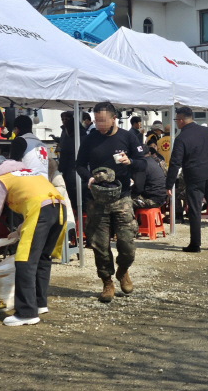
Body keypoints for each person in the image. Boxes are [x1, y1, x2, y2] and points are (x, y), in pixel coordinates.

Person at [0, 156, 67, 326]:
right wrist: (17, 232)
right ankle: (39, 304)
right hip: (59, 208)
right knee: (42, 258)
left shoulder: (2, 179)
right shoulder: (30, 173)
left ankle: (26, 313)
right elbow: (38, 203)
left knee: (24, 260)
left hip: (40, 211)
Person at [75, 102, 146, 303]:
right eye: (96, 120)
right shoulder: (90, 139)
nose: (99, 124)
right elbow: (79, 165)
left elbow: (142, 163)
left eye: (103, 120)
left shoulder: (128, 137)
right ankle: (107, 281)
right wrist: (87, 177)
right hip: (96, 199)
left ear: (114, 118)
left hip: (122, 197)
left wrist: (129, 162)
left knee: (127, 244)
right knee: (99, 245)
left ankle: (123, 270)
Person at [165, 106, 208, 252]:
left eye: (176, 120)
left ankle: (195, 244)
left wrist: (169, 184)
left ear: (180, 120)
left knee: (194, 210)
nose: (176, 123)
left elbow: (175, 163)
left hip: (194, 177)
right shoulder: (206, 131)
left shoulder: (182, 138)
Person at [10, 115, 49, 180]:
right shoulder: (41, 143)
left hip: (29, 182)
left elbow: (12, 164)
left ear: (17, 128)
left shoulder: (20, 141)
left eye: (14, 129)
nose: (14, 132)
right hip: (45, 182)